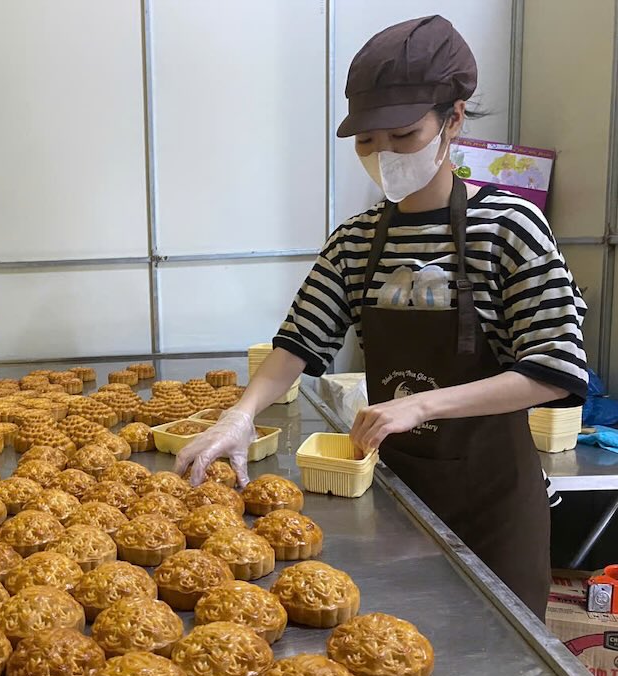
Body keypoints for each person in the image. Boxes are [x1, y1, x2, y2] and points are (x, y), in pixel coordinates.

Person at [175, 15, 587, 619]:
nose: (383, 155)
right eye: (368, 141)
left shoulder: (509, 228)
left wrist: (422, 403)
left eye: (402, 134)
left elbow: (556, 369)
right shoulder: (357, 241)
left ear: (453, 119)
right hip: (394, 495)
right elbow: (299, 340)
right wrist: (240, 415)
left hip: (492, 505)